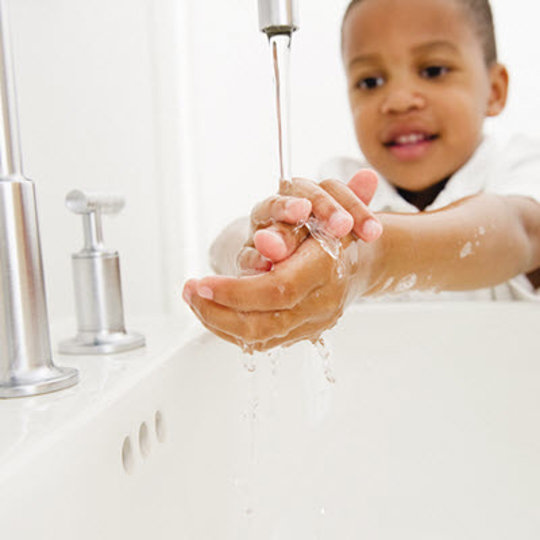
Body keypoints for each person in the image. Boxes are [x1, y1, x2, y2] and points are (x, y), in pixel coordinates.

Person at [182, 0, 540, 351]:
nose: (398, 100)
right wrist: (263, 249)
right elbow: (224, 243)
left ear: (495, 90)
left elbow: (519, 231)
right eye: (370, 81)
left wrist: (369, 260)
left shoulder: (517, 168)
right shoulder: (339, 188)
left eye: (433, 71)